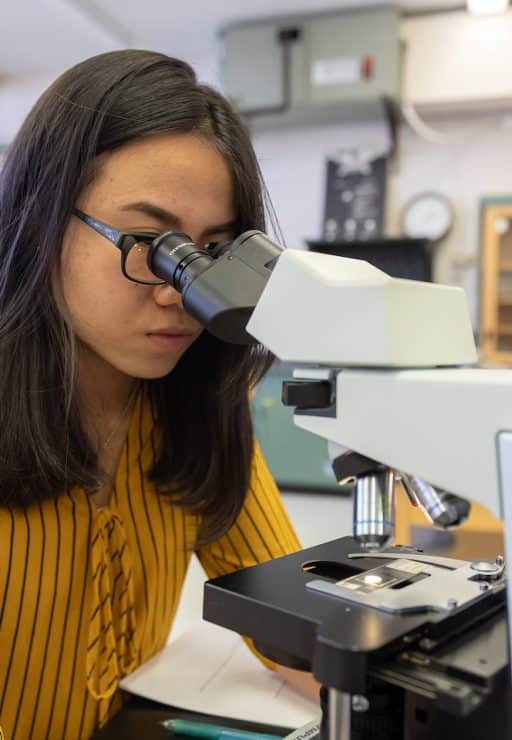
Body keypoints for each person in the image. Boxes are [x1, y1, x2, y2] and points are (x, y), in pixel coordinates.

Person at [0, 49, 319, 740]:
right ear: (39, 215)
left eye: (212, 254)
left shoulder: (198, 415)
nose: (185, 293)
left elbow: (292, 630)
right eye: (151, 241)